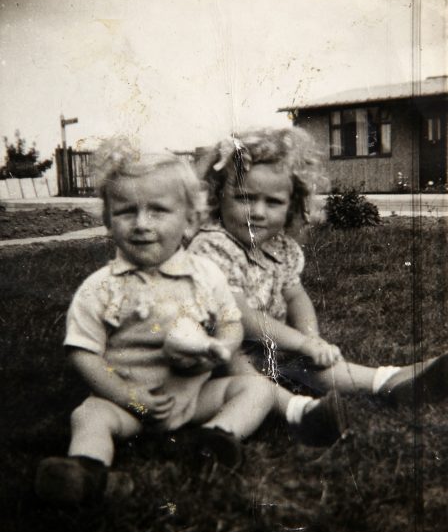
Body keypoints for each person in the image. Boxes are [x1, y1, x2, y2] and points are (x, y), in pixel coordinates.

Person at [35, 141, 345, 507]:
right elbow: (83, 353)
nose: (141, 224)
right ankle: (87, 471)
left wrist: (222, 348)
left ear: (190, 220)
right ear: (106, 219)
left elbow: (231, 323)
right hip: (127, 401)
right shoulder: (101, 287)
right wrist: (127, 398)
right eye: (125, 212)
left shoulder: (205, 275)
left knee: (255, 389)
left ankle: (213, 438)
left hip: (194, 396)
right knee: (88, 414)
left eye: (158, 211)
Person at [188, 127, 448, 408]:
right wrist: (300, 342)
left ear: (292, 207)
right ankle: (291, 409)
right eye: (244, 198)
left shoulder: (281, 248)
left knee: (316, 363)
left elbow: (296, 297)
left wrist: (311, 340)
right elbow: (240, 315)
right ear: (218, 196)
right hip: (222, 347)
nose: (258, 212)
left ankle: (388, 380)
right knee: (241, 365)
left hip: (271, 343)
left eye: (273, 202)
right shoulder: (212, 247)